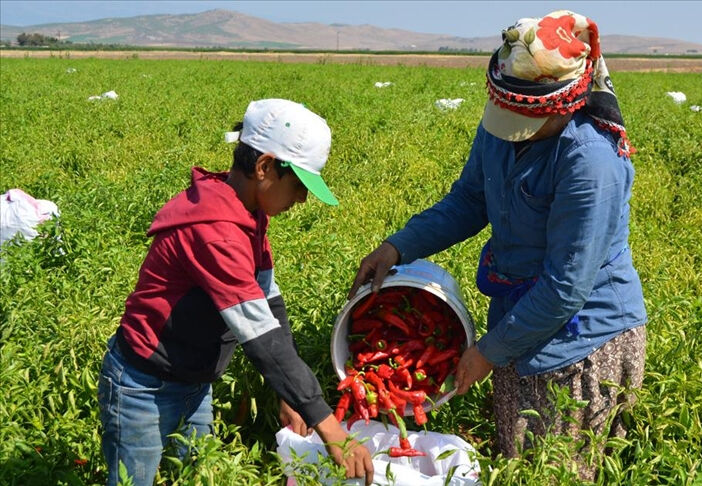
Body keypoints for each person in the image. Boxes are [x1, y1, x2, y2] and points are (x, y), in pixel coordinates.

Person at [349, 11, 647, 480]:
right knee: (520, 461)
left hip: (581, 338)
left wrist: (488, 352)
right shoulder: (499, 131)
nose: (512, 126)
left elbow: (566, 287)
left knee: (555, 470)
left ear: (566, 103)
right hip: (518, 319)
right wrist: (397, 247)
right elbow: (469, 200)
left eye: (529, 117)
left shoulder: (590, 161)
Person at [98, 99, 373, 486]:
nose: (301, 199)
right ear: (264, 167)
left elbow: (269, 304)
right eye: (298, 185)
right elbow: (257, 334)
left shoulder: (247, 214)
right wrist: (329, 426)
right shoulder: (215, 230)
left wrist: (292, 394)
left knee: (199, 475)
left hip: (194, 379)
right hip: (145, 386)